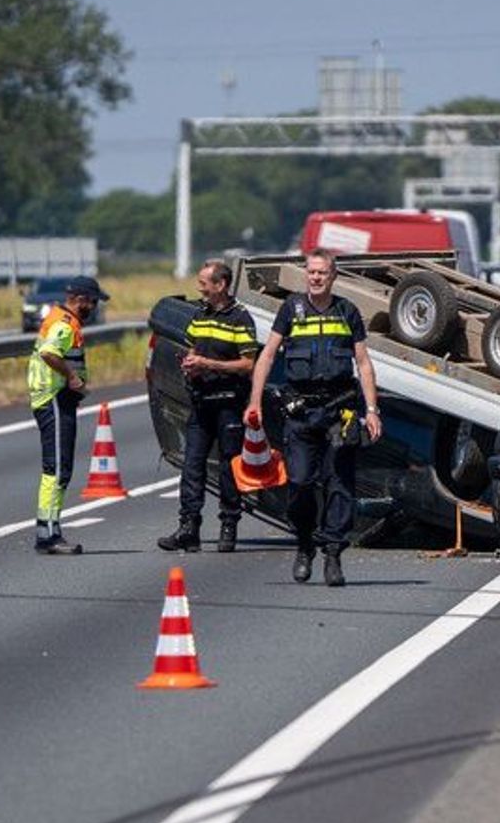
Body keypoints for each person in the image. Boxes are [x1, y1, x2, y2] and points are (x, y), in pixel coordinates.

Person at [244, 248, 383, 586]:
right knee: (301, 484)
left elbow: (363, 363)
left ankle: (333, 554)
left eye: (322, 272)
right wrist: (254, 403)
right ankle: (305, 543)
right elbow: (266, 356)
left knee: (339, 485)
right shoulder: (291, 309)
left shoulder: (347, 312)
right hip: (301, 413)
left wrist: (372, 410)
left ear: (333, 276)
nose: (316, 277)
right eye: (311, 272)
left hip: (339, 411)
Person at [158, 259, 260, 553]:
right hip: (201, 402)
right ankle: (189, 527)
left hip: (229, 403)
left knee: (229, 466)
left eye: (204, 284)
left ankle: (229, 525)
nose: (199, 289)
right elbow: (193, 348)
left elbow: (248, 364)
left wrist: (210, 364)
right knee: (192, 466)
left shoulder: (241, 318)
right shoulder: (200, 314)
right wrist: (192, 364)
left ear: (221, 285)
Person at [26, 275, 109, 554]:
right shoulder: (64, 324)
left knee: (57, 468)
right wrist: (72, 377)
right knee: (58, 468)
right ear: (81, 300)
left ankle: (48, 530)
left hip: (54, 399)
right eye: (93, 301)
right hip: (55, 399)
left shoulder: (60, 318)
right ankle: (48, 534)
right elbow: (50, 354)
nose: (95, 307)